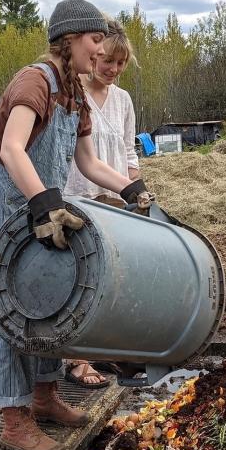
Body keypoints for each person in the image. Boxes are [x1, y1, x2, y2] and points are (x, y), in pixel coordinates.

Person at [0, 0, 152, 450]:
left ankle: (45, 396)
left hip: (46, 214)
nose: (99, 51)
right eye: (95, 40)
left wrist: (133, 189)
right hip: (9, 217)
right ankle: (14, 421)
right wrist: (44, 204)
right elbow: (13, 149)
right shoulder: (35, 81)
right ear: (69, 38)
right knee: (10, 315)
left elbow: (89, 163)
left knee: (53, 305)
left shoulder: (75, 94)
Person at [62, 19, 140, 388]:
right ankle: (76, 359)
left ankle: (101, 349)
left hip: (112, 196)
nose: (112, 69)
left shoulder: (123, 100)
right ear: (94, 54)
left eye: (120, 64)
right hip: (76, 195)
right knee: (78, 276)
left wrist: (136, 191)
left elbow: (127, 150)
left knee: (108, 276)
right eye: (108, 60)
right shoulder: (73, 90)